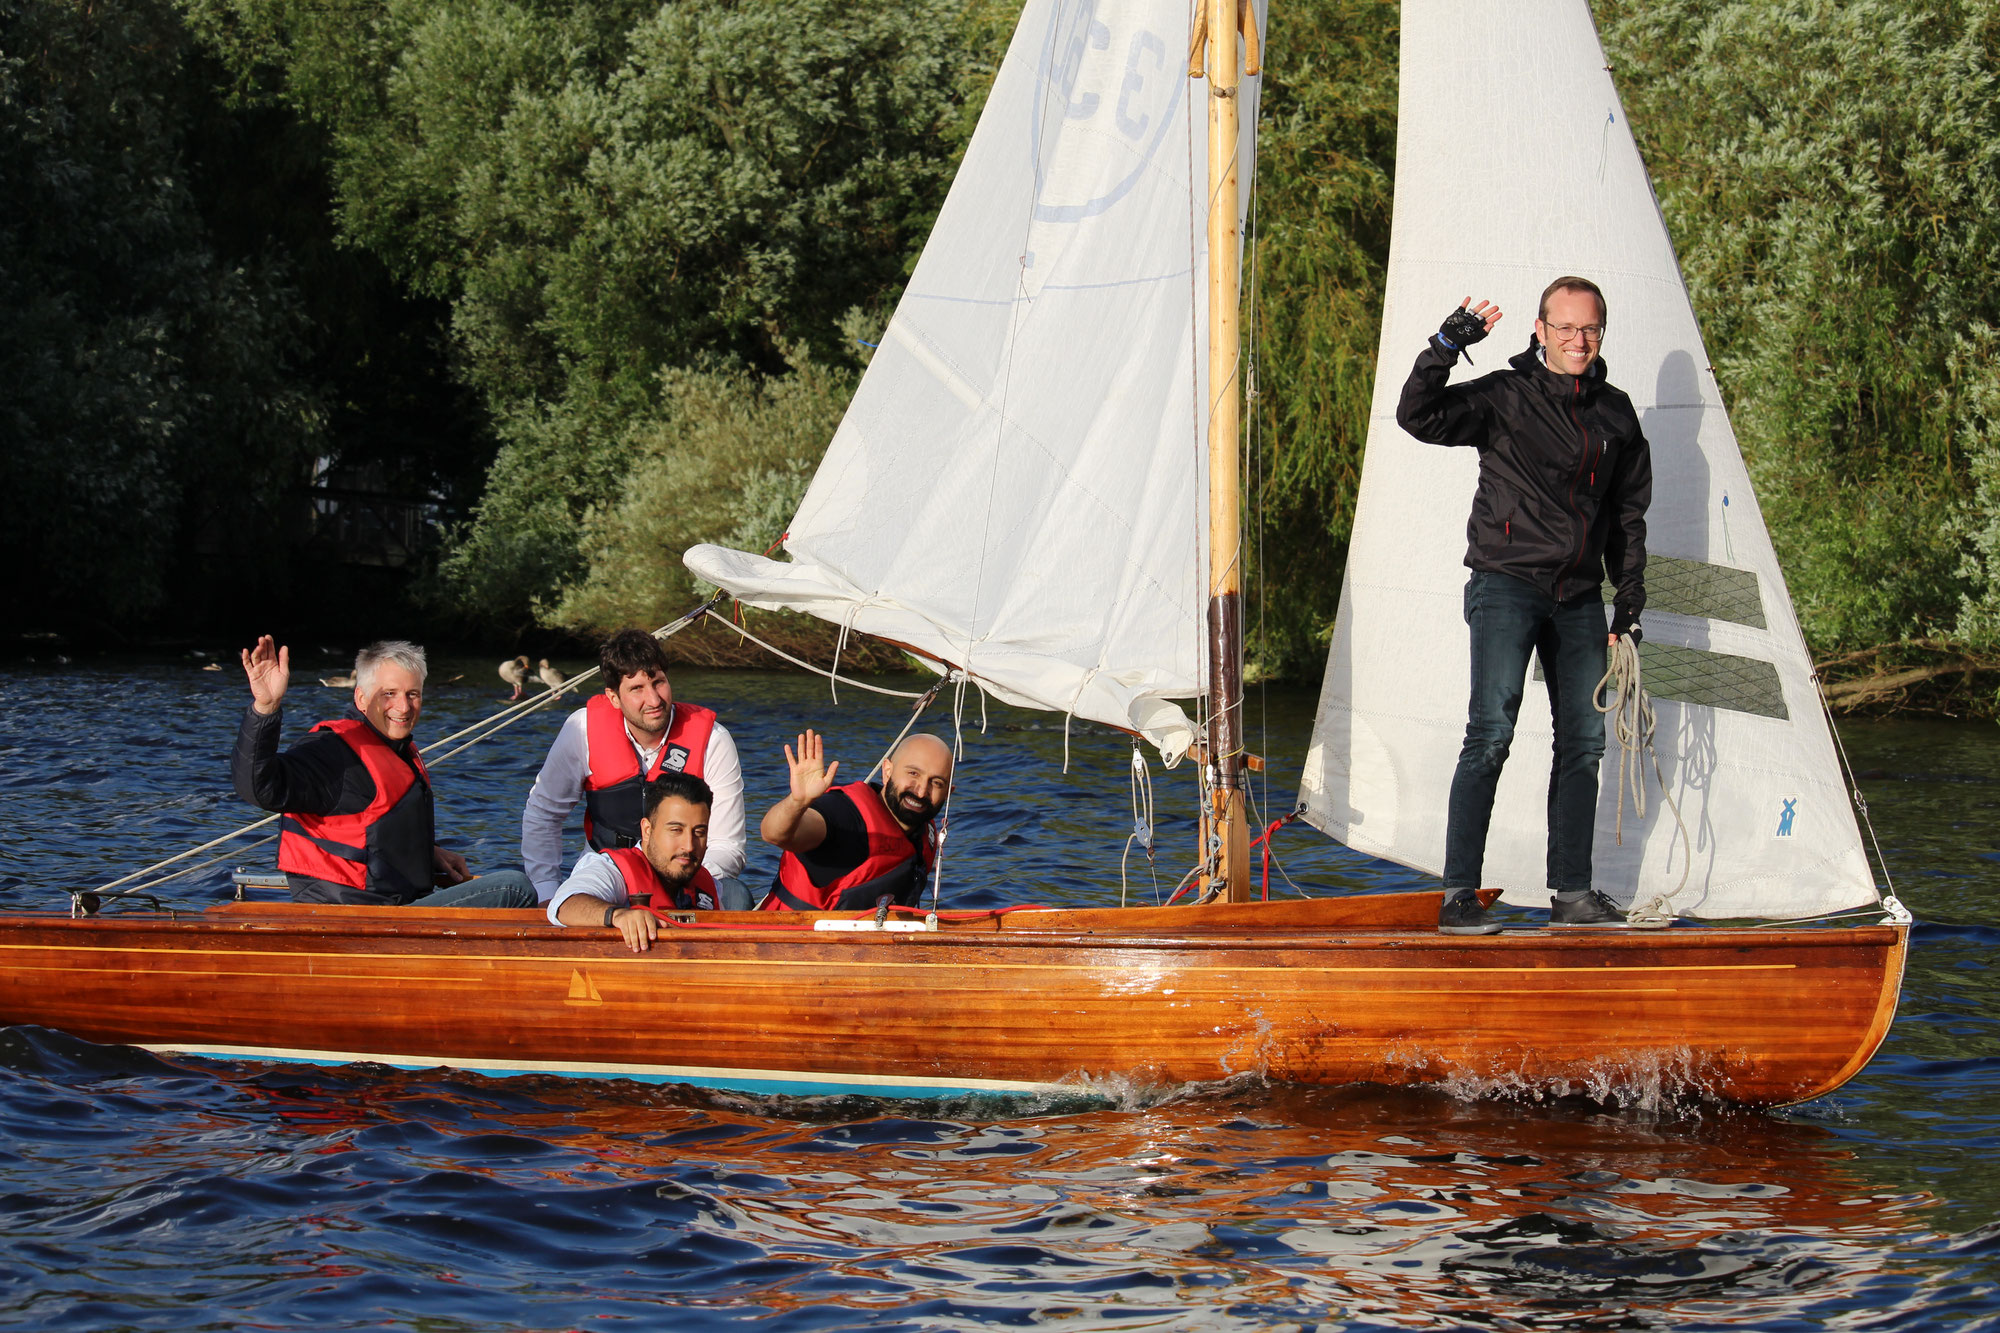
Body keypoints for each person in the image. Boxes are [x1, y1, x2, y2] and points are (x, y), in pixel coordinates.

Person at [1396, 276, 1653, 935]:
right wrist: (1445, 346)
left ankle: (1572, 896)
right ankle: (1458, 898)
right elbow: (1417, 416)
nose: (1578, 340)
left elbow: (1628, 520)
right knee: (1492, 731)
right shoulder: (1505, 397)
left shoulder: (1616, 415)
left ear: (1601, 334)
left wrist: (1628, 612)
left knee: (1585, 744)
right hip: (1505, 583)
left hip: (1577, 598)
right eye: (1565, 328)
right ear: (1540, 331)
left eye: (1589, 329)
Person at [232, 636, 538, 908]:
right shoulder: (331, 751)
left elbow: (372, 832)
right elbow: (259, 787)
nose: (403, 707)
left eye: (413, 694)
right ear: (361, 698)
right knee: (514, 887)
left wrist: (429, 853)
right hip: (352, 920)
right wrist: (266, 708)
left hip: (396, 907)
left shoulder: (397, 749)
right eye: (388, 694)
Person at [520, 628, 747, 907]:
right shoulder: (582, 729)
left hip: (685, 878)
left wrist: (688, 884)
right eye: (637, 689)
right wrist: (545, 890)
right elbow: (543, 813)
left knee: (736, 896)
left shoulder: (714, 739)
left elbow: (728, 845)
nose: (653, 700)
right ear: (613, 697)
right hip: (607, 871)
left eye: (658, 683)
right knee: (573, 907)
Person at [758, 729, 951, 912]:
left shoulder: (926, 835)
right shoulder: (844, 815)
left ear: (948, 794)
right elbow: (774, 834)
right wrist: (797, 802)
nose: (921, 791)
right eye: (913, 774)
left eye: (936, 783)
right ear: (887, 771)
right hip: (794, 938)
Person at [547, 772, 718, 952]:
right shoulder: (612, 869)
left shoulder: (711, 885)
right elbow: (564, 904)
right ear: (646, 830)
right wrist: (618, 915)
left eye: (699, 832)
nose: (689, 846)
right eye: (676, 830)